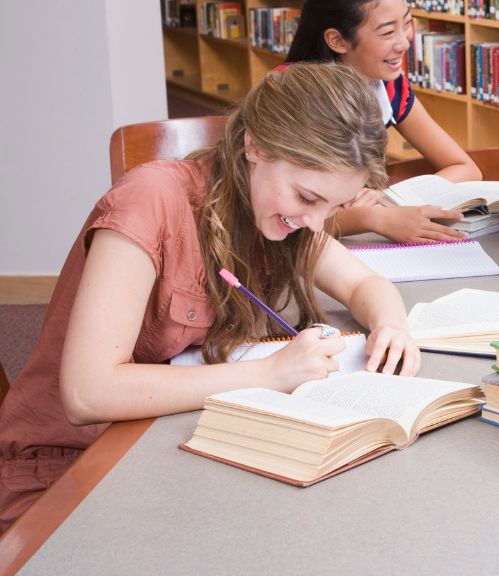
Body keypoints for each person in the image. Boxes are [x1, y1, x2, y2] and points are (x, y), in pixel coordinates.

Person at [0, 63, 421, 531]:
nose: (317, 223)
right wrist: (268, 373)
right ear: (255, 145)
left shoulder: (274, 207)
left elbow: (366, 285)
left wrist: (392, 326)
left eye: (335, 207)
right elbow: (87, 393)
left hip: (160, 440)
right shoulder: (150, 200)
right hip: (69, 469)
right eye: (307, 198)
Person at [285, 0, 482, 243]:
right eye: (388, 32)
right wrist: (374, 217)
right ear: (337, 41)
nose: (404, 42)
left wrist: (391, 198)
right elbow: (288, 217)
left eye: (407, 23)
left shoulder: (389, 87)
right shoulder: (294, 97)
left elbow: (465, 168)